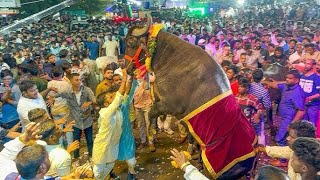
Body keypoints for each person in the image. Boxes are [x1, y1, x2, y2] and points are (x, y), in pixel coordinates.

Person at [92, 68, 128, 179]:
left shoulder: (116, 110)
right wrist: (124, 78)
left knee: (110, 166)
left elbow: (123, 95)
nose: (114, 97)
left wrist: (129, 80)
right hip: (102, 146)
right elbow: (118, 97)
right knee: (98, 172)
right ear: (106, 103)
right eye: (111, 97)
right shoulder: (105, 113)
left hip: (112, 145)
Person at [54, 73, 96, 159]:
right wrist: (51, 98)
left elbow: (95, 100)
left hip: (87, 120)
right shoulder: (68, 92)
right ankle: (76, 158)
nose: (79, 82)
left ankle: (92, 157)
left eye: (80, 79)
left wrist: (90, 102)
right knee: (76, 141)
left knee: (90, 141)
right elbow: (58, 94)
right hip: (75, 121)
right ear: (71, 81)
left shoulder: (87, 90)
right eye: (76, 80)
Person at [263, 69, 305, 145]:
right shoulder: (286, 86)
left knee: (280, 139)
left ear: (297, 80)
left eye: (290, 78)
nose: (287, 79)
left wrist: (292, 124)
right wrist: (265, 82)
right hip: (283, 118)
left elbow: (301, 111)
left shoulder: (297, 93)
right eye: (287, 78)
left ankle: (280, 155)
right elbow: (275, 85)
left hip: (289, 119)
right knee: (283, 137)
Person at [299, 59, 320, 125]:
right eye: (305, 63)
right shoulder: (301, 76)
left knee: (311, 124)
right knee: (302, 124)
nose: (306, 65)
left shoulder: (317, 78)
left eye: (308, 64)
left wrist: (310, 98)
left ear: (313, 66)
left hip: (313, 105)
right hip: (301, 104)